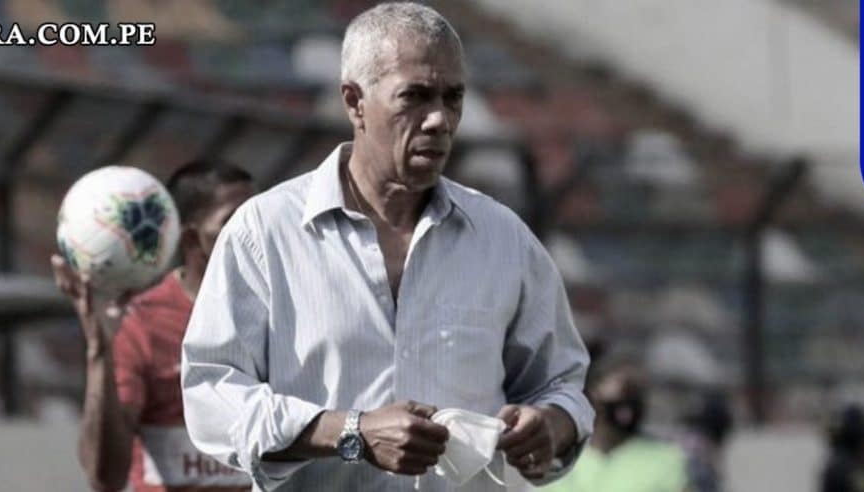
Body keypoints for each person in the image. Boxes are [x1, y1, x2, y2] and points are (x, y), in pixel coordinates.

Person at [180, 3, 594, 491]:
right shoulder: (265, 231)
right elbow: (213, 397)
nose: (439, 120)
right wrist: (350, 434)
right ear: (355, 101)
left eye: (453, 98)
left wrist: (551, 425)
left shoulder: (505, 239)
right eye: (415, 96)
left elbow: (561, 383)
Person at [52, 160, 256, 492]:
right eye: (233, 221)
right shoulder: (142, 325)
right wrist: (100, 352)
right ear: (190, 238)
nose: (254, 232)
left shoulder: (278, 316)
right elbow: (106, 478)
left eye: (257, 217)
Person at [540, 352, 688, 492]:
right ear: (594, 392)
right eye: (625, 390)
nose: (630, 401)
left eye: (638, 393)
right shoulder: (560, 458)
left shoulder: (666, 459)